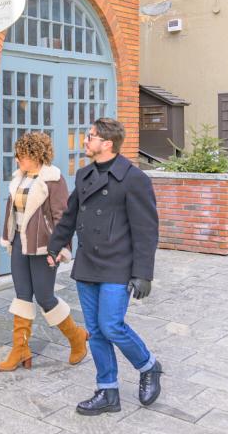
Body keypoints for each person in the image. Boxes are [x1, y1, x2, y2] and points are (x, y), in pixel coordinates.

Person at [47, 117, 163, 414]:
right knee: (96, 331)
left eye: (90, 137)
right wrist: (55, 245)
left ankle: (148, 365)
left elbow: (146, 230)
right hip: (88, 264)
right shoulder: (84, 175)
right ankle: (107, 391)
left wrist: (142, 274)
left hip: (118, 264)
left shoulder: (134, 179)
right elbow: (70, 216)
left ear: (107, 144)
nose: (85, 141)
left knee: (112, 325)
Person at [0, 132, 89, 372]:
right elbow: (12, 213)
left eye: (22, 156)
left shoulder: (53, 179)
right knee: (22, 295)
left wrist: (59, 248)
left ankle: (77, 337)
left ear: (35, 155)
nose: (18, 160)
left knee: (45, 297)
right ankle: (20, 349)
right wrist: (8, 239)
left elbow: (62, 216)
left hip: (43, 247)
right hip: (20, 244)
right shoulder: (19, 178)